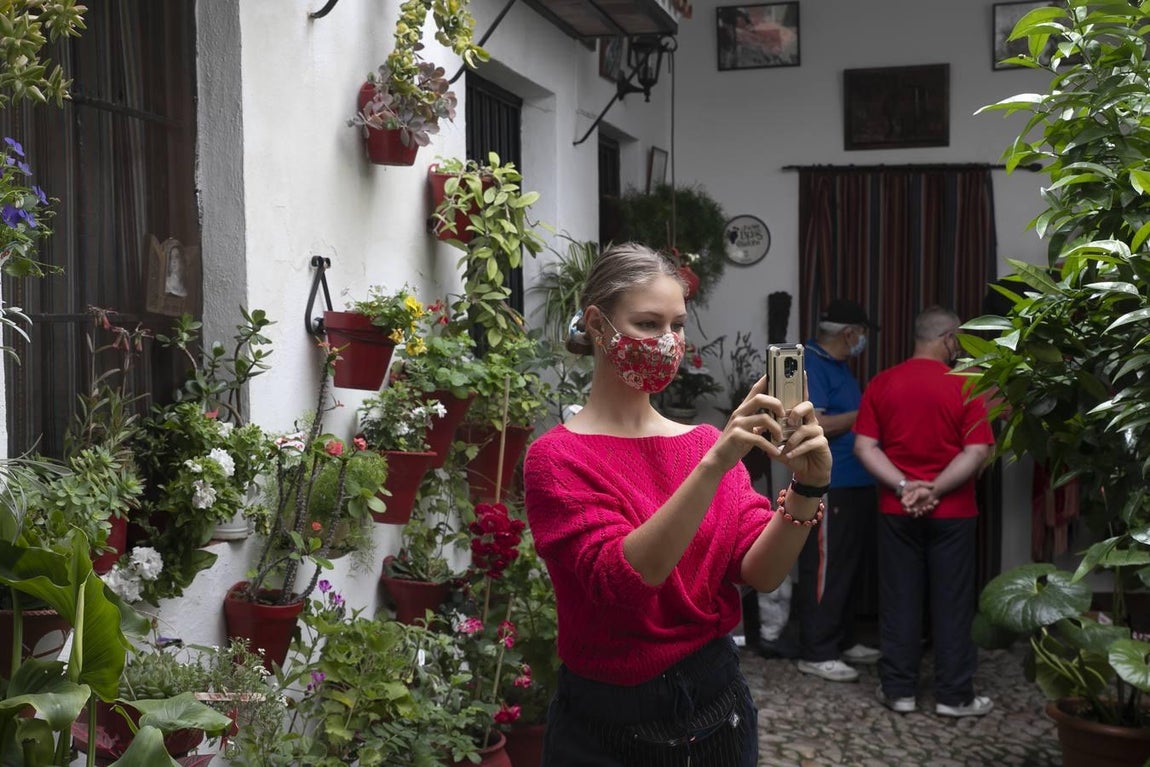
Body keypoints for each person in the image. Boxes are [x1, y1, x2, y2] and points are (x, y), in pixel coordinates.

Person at [523, 242, 832, 765]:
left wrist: (808, 489)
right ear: (597, 325)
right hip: (607, 724)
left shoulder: (703, 441)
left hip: (716, 704)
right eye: (648, 324)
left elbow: (760, 571)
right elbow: (625, 582)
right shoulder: (556, 458)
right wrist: (712, 465)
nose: (668, 343)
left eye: (678, 325)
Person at [853, 306, 995, 718]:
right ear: (949, 338)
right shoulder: (967, 384)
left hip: (896, 510)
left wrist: (904, 487)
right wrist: (935, 488)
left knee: (899, 599)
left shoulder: (883, 382)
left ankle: (899, 691)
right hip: (953, 512)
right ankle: (954, 697)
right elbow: (977, 451)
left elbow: (865, 447)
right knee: (952, 602)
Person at [793, 298, 880, 683]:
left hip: (856, 482)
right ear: (850, 333)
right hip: (831, 484)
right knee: (825, 568)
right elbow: (816, 425)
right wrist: (869, 414)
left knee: (847, 566)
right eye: (861, 333)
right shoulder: (810, 364)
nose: (863, 340)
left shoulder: (841, 367)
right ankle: (817, 650)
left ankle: (841, 641)